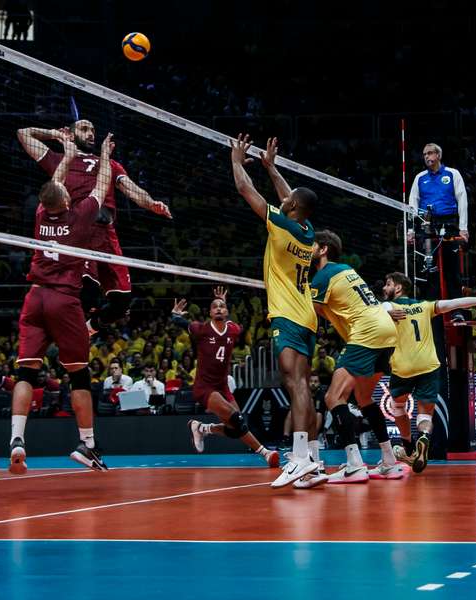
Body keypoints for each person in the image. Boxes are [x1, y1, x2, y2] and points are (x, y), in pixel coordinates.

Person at [9, 133, 116, 475]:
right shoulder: (80, 214)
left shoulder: (41, 214)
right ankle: (88, 444)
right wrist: (103, 154)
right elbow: (102, 184)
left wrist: (66, 155)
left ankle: (17, 440)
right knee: (79, 375)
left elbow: (53, 185)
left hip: (35, 297)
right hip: (63, 299)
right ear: (67, 200)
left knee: (26, 371)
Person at [17, 120, 172, 336]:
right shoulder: (59, 159)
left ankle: (87, 330)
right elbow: (23, 133)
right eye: (84, 129)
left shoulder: (108, 163)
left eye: (92, 130)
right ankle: (61, 334)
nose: (91, 133)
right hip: (80, 232)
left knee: (121, 304)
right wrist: (54, 134)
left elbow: (133, 189)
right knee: (87, 291)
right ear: (71, 135)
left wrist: (151, 203)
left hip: (107, 236)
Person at [230, 134, 322, 488]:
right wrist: (271, 166)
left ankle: (299, 458)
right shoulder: (307, 229)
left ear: (293, 207)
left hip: (288, 314)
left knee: (294, 382)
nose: (285, 199)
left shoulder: (282, 224)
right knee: (302, 387)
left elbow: (244, 190)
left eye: (290, 199)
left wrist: (237, 160)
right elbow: (289, 196)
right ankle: (313, 458)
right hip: (307, 316)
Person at [381, 272, 476, 472]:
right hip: (429, 365)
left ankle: (408, 445)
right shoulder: (426, 306)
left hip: (403, 366)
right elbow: (455, 303)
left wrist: (384, 312)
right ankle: (424, 438)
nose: (384, 288)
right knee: (425, 416)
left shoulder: (390, 306)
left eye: (388, 284)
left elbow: (381, 308)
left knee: (398, 406)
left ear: (399, 288)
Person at [310, 230, 403, 483]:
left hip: (367, 333)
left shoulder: (323, 276)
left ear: (324, 250)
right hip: (385, 332)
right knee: (363, 398)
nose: (309, 248)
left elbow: (312, 311)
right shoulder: (347, 270)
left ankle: (354, 464)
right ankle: (389, 461)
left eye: (313, 244)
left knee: (333, 397)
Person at [171, 287, 278, 468]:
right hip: (205, 387)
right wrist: (175, 313)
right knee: (236, 419)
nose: (219, 309)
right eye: (215, 307)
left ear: (227, 311)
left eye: (222, 306)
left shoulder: (234, 330)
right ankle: (265, 453)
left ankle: (202, 428)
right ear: (210, 313)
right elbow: (179, 321)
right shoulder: (202, 329)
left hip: (222, 386)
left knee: (235, 427)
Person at [407, 143, 469, 320]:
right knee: (429, 270)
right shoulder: (420, 178)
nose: (427, 157)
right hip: (426, 227)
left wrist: (463, 228)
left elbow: (462, 200)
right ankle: (429, 312)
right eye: (424, 154)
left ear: (438, 155)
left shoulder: (452, 174)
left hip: (449, 225)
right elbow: (412, 204)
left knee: (452, 271)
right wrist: (411, 230)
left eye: (430, 153)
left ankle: (457, 311)